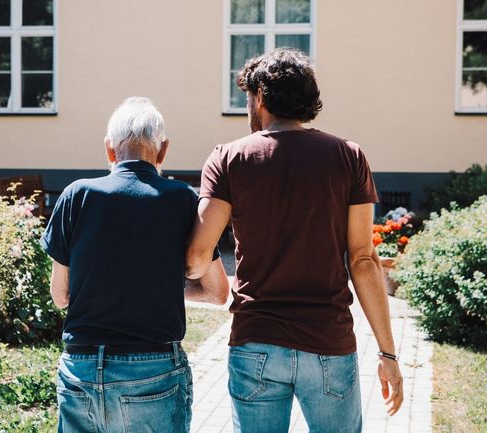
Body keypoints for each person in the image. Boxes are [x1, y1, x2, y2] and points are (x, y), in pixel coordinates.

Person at [185, 49, 404, 433]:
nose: (248, 109)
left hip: (256, 344)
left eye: (249, 99)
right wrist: (387, 352)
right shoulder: (348, 156)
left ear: (263, 98)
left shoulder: (228, 158)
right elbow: (364, 260)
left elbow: (197, 257)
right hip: (328, 344)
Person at [41, 97, 229, 433]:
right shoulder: (182, 199)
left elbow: (60, 295)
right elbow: (217, 293)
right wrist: (157, 285)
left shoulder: (75, 195)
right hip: (152, 370)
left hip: (80, 370)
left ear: (109, 150)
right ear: (163, 150)